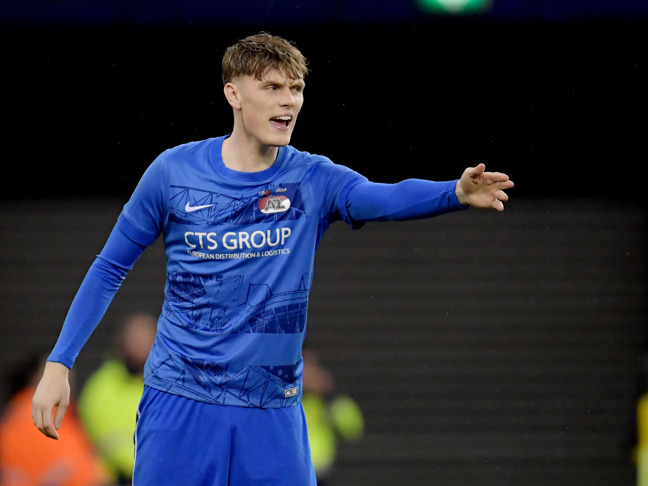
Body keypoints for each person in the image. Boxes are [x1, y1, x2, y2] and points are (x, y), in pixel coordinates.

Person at [31, 32, 514, 485]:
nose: (289, 100)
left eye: (296, 88)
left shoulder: (312, 178)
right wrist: (59, 363)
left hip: (272, 410)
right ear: (234, 94)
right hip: (180, 402)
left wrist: (453, 193)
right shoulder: (173, 172)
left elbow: (382, 197)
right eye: (272, 87)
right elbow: (109, 266)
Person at [0, 353, 110, 486]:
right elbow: (60, 468)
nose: (67, 376)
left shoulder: (63, 414)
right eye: (56, 369)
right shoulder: (29, 414)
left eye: (68, 369)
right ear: (36, 377)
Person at [78, 312, 157, 485]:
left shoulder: (167, 383)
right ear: (121, 342)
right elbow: (104, 442)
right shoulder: (102, 386)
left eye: (147, 339)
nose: (141, 345)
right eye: (135, 339)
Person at [301, 347, 364, 485]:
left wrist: (329, 394)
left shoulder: (328, 399)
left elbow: (352, 427)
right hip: (289, 468)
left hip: (320, 469)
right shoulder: (281, 398)